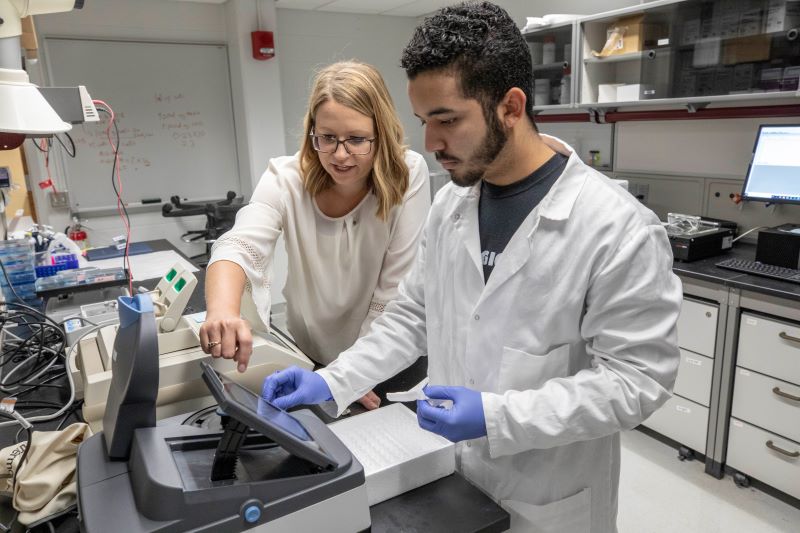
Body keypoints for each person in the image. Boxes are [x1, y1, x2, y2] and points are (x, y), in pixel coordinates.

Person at [262, 3, 681, 532]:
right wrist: (333, 381)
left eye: (447, 120)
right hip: (452, 480)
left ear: (510, 106)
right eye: (423, 122)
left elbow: (636, 382)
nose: (430, 144)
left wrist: (496, 417)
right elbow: (412, 316)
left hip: (548, 499)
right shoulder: (453, 205)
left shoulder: (617, 228)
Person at [201, 60, 430, 410]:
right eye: (327, 138)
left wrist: (353, 374)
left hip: (388, 357)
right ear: (313, 132)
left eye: (356, 139)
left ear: (381, 133)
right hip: (313, 358)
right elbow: (240, 244)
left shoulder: (408, 173)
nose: (340, 155)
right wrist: (221, 310)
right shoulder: (286, 177)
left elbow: (395, 292)